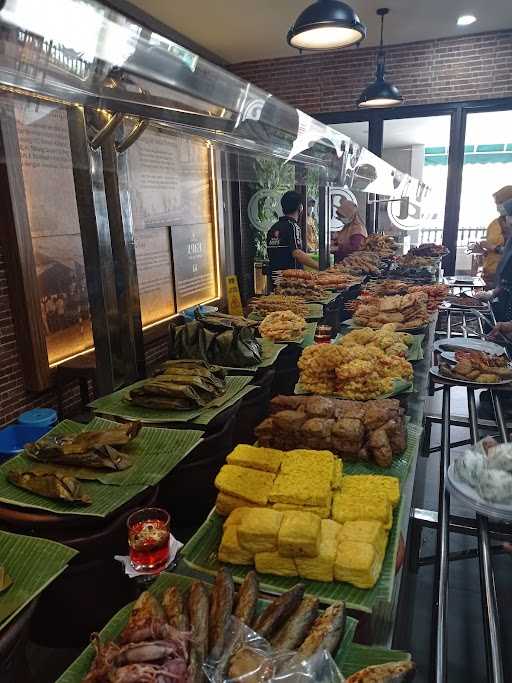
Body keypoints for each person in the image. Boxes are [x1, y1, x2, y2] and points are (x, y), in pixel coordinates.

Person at [266, 190, 319, 283]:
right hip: (290, 280)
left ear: (283, 209)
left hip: (275, 279)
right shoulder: (293, 226)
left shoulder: (273, 228)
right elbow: (297, 253)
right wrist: (320, 266)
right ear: (300, 208)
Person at [475, 197, 512, 320]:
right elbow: (505, 282)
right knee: (492, 325)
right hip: (502, 296)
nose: (507, 221)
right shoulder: (510, 241)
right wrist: (491, 293)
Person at [471, 185, 512, 286]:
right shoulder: (495, 223)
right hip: (489, 274)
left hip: (505, 278)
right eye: (496, 203)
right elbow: (491, 249)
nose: (498, 207)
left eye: (500, 202)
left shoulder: (509, 225)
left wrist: (494, 248)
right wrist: (483, 251)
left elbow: (508, 252)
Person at [331, 197, 368, 263]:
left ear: (350, 215)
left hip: (351, 264)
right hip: (341, 262)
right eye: (339, 216)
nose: (339, 219)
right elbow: (342, 238)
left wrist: (337, 248)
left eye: (342, 216)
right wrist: (334, 241)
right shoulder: (348, 226)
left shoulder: (358, 229)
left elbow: (355, 249)